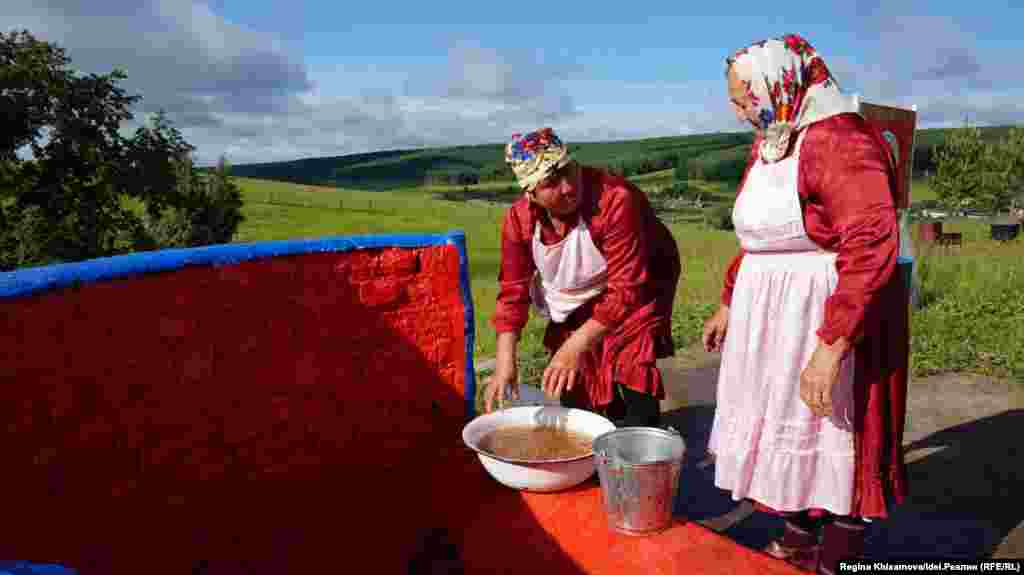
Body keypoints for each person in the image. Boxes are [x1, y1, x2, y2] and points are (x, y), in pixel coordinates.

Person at [701, 35, 910, 574]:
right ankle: (799, 534)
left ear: (779, 84)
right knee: (784, 423)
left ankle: (838, 553)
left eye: (743, 95)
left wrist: (832, 345)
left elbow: (870, 242)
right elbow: (759, 237)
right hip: (771, 318)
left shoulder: (841, 139)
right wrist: (730, 301)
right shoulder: (774, 140)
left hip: (827, 310)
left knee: (832, 429)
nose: (737, 108)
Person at [483, 127, 681, 428]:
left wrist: (573, 347)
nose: (567, 187)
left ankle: (642, 441)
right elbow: (513, 291)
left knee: (630, 358)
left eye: (568, 170)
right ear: (531, 192)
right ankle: (597, 436)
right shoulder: (519, 220)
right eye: (550, 183)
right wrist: (504, 361)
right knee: (578, 375)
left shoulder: (614, 200)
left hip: (642, 278)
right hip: (580, 289)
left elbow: (626, 290)